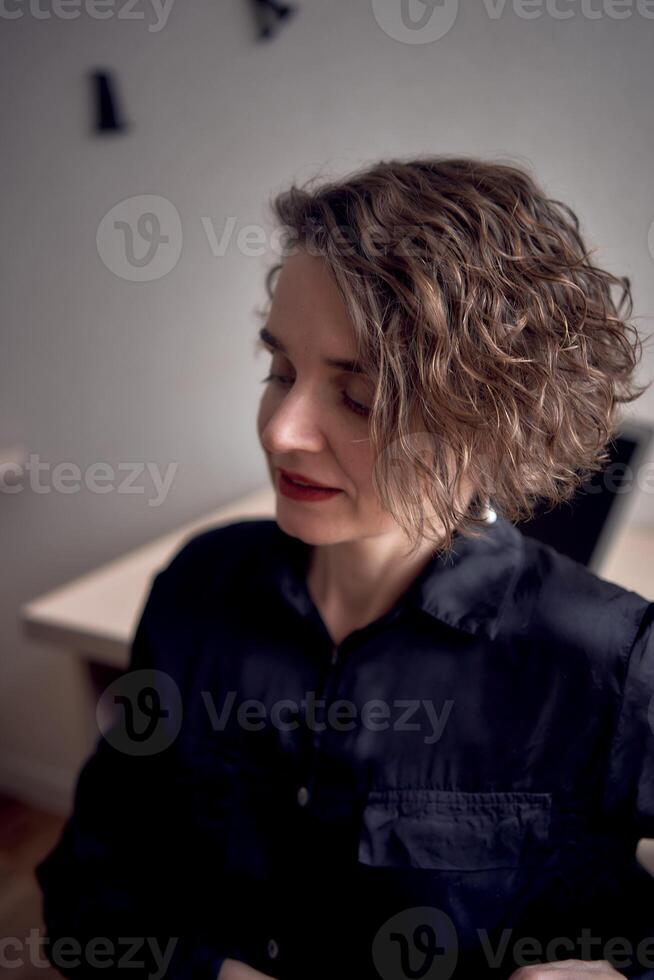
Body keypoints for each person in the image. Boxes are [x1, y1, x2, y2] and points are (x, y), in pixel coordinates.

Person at [35, 157, 654, 980]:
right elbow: (92, 883)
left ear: (494, 422)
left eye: (358, 397)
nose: (283, 431)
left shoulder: (609, 662)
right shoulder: (198, 589)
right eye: (280, 371)